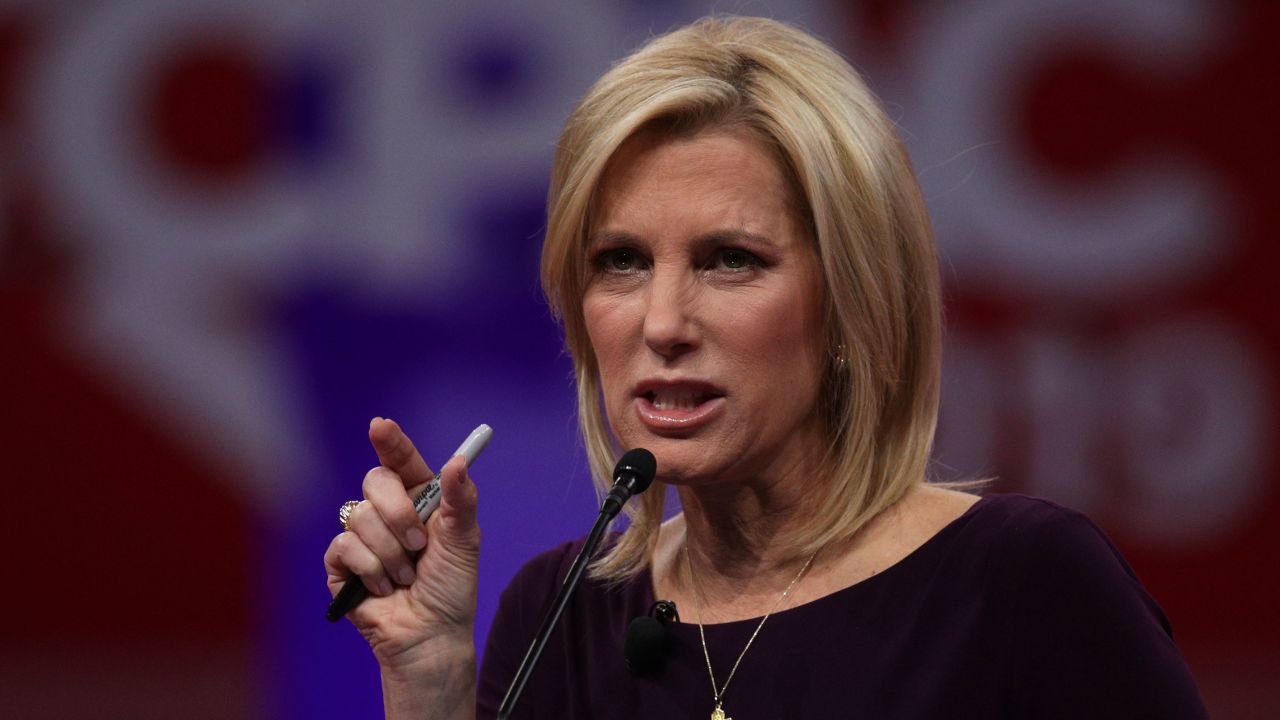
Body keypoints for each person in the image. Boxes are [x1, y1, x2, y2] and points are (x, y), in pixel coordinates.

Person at [324, 16, 1208, 719]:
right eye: (621, 261)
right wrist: (431, 676)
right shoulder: (559, 618)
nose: (662, 322)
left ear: (849, 300)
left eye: (730, 260)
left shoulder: (1022, 585)